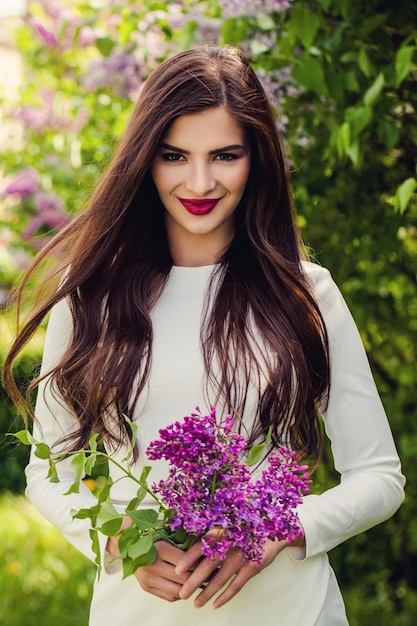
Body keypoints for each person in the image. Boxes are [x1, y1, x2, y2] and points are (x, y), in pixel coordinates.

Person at [3, 45, 405, 626]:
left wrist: (283, 530)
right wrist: (118, 546)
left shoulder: (305, 293)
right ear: (145, 160)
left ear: (256, 161)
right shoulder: (91, 293)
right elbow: (50, 470)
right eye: (174, 155)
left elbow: (379, 477)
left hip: (293, 610)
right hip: (138, 612)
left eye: (224, 155)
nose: (199, 181)